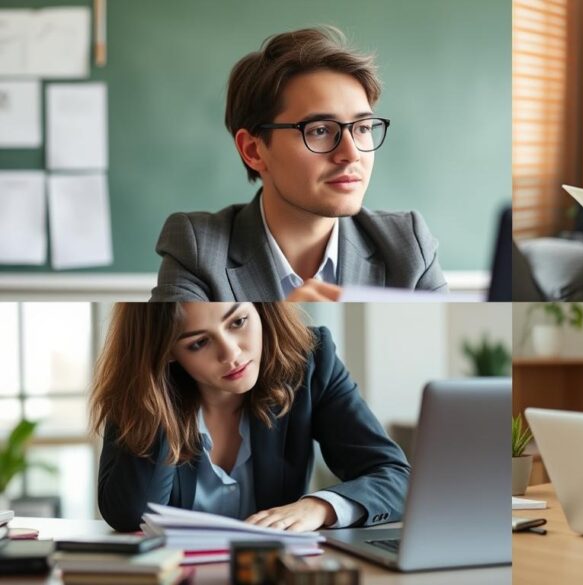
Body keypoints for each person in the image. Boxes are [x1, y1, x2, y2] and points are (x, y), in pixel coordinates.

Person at [150, 27, 448, 301]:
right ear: (253, 150)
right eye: (319, 130)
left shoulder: (408, 245)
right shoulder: (197, 249)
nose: (351, 153)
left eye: (362, 128)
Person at [90, 302, 409, 533]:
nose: (231, 354)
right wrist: (154, 387)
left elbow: (396, 477)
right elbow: (130, 514)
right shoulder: (144, 389)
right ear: (167, 352)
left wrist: (319, 507)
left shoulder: (311, 361)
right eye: (199, 342)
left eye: (238, 321)